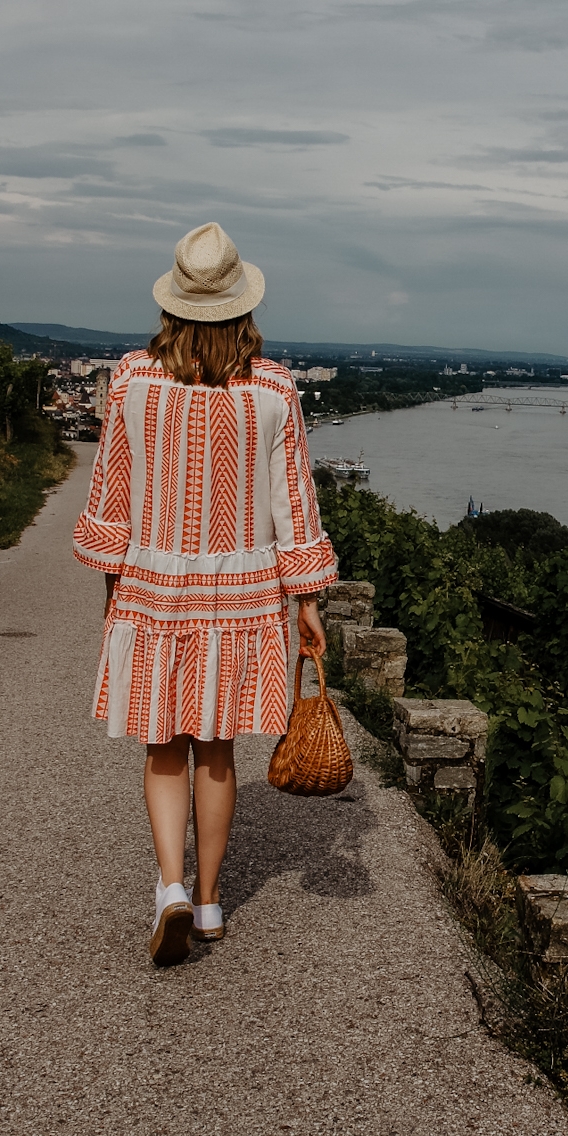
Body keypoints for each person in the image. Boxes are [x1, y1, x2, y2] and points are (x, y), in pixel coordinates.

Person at [73, 222, 337, 965]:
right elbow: (295, 502)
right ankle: (214, 902)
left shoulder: (132, 379)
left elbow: (111, 492)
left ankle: (171, 889)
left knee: (163, 745)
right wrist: (307, 598)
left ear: (174, 304)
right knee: (216, 749)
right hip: (243, 589)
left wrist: (111, 581)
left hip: (154, 583)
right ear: (242, 306)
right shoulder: (275, 387)